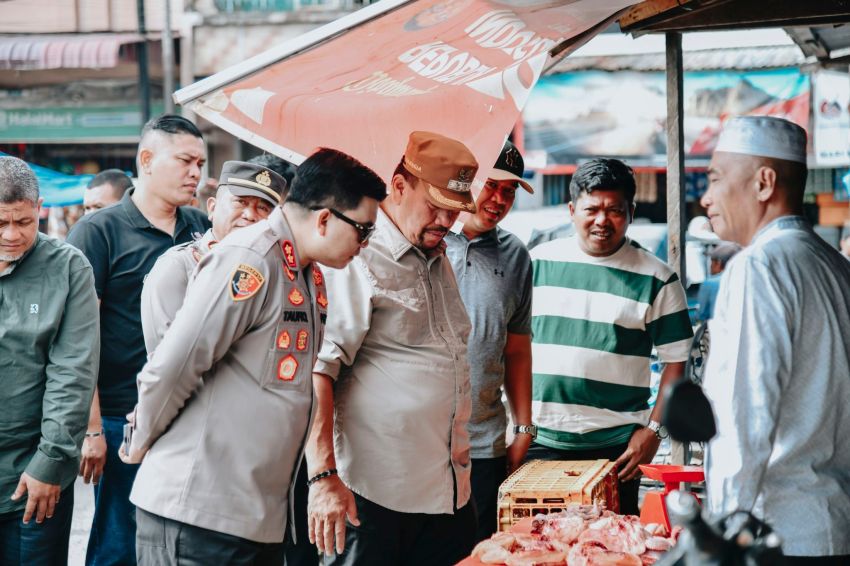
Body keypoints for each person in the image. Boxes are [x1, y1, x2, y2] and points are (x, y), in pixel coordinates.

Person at [121, 148, 386, 565]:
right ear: (323, 219)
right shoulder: (250, 258)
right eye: (362, 231)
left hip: (252, 518)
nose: (364, 245)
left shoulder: (305, 270)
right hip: (198, 517)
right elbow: (174, 365)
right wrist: (139, 446)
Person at [307, 131, 479, 565]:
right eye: (435, 207)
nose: (445, 221)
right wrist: (324, 477)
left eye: (454, 212)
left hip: (449, 490)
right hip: (373, 496)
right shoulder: (357, 257)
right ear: (400, 187)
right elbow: (318, 371)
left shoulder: (438, 257)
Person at [700, 116, 850, 564]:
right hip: (834, 525)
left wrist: (723, 532)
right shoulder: (834, 266)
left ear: (764, 182)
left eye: (716, 178)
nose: (707, 197)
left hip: (777, 536)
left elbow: (743, 417)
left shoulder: (758, 268)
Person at [66, 114, 210, 566]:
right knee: (118, 543)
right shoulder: (99, 231)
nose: (196, 173)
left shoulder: (201, 227)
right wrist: (92, 430)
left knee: (177, 545)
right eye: (185, 160)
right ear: (147, 160)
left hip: (189, 415)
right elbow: (78, 336)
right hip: (120, 416)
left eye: (201, 164)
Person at [527, 158, 693, 516]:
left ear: (631, 212)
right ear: (572, 210)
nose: (602, 220)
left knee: (612, 548)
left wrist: (654, 432)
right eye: (592, 209)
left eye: (614, 210)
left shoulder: (658, 278)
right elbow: (510, 350)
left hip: (617, 449)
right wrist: (519, 427)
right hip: (539, 442)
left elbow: (676, 364)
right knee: (534, 546)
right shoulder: (536, 264)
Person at [0, 156, 99, 564]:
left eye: (23, 222)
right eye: (1, 223)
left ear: (39, 209)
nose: (11, 235)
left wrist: (50, 460)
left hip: (32, 472)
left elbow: (72, 372)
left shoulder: (68, 267)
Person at [444, 139, 534, 541]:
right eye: (491, 185)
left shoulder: (516, 256)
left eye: (510, 190)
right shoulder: (428, 238)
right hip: (418, 444)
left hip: (483, 445)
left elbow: (516, 349)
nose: (499, 199)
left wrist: (524, 427)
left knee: (478, 550)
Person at [141, 160, 287, 353]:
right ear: (212, 208)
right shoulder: (179, 266)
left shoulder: (279, 273)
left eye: (263, 208)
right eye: (240, 202)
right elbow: (168, 360)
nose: (250, 215)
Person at [695, 242, 741, 322]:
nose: (710, 266)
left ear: (718, 263)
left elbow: (702, 315)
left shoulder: (709, 284)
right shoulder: (744, 279)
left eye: (712, 262)